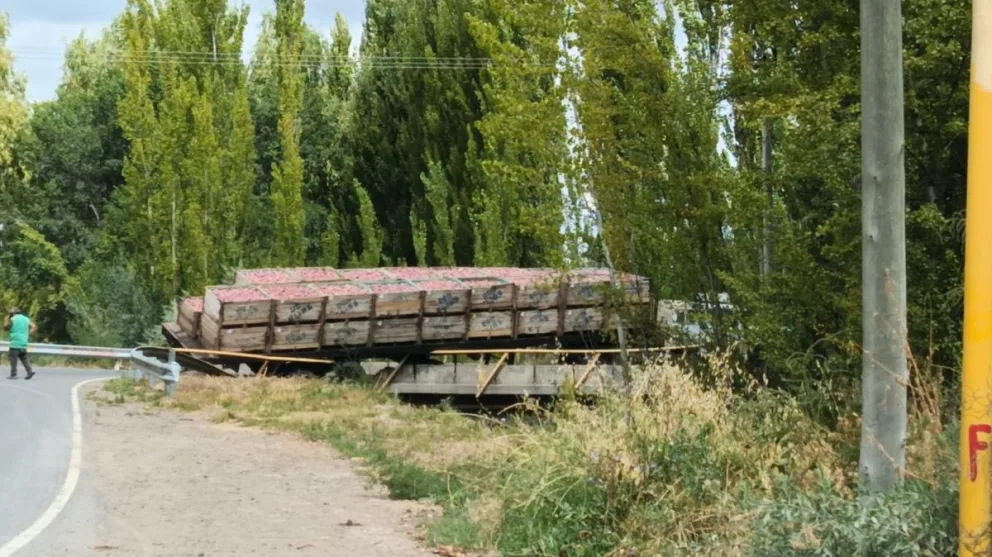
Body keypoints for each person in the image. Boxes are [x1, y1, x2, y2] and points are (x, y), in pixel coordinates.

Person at [4, 308, 36, 380]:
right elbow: (34, 327)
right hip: (23, 342)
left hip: (15, 342)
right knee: (24, 357)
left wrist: (6, 320)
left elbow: (5, 328)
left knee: (13, 358)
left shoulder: (13, 319)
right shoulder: (26, 319)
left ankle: (13, 374)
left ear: (13, 313)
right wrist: (28, 334)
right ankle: (29, 371)